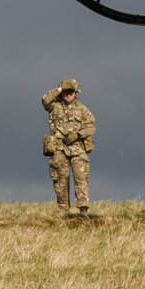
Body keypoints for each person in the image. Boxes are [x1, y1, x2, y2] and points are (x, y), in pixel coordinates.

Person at [40, 77, 96, 217]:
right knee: (60, 179)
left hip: (77, 149)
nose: (68, 94)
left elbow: (91, 126)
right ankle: (63, 210)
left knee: (81, 177)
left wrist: (77, 135)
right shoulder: (54, 106)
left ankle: (83, 210)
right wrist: (59, 89)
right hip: (59, 149)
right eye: (66, 91)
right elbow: (45, 100)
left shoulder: (82, 109)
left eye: (71, 91)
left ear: (76, 92)